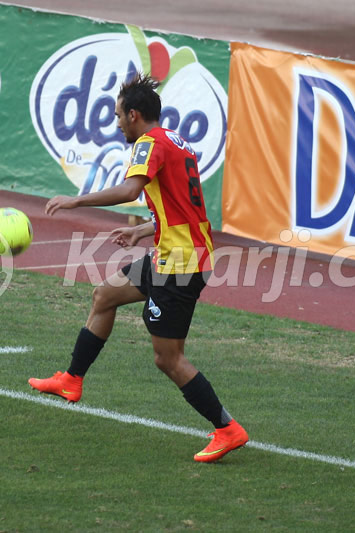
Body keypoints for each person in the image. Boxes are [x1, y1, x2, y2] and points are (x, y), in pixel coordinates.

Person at [28, 73, 248, 463]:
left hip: (178, 263)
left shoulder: (150, 144)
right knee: (104, 295)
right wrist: (145, 230)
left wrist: (75, 202)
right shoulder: (177, 142)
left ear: (134, 115)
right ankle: (72, 380)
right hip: (173, 250)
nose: (116, 123)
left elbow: (131, 191)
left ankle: (227, 428)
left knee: (168, 358)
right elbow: (186, 208)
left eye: (117, 116)